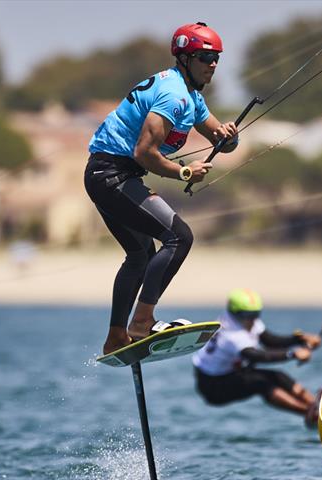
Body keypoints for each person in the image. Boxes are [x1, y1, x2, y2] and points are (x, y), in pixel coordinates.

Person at [84, 22, 239, 355]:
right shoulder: (173, 94)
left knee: (140, 255)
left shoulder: (192, 97)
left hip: (110, 176)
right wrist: (183, 171)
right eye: (204, 58)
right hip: (111, 175)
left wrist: (229, 135)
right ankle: (141, 322)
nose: (212, 65)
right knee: (179, 236)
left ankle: (116, 336)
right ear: (183, 58)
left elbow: (220, 141)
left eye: (216, 59)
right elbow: (144, 153)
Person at [192, 288, 322, 426]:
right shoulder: (231, 334)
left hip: (230, 373)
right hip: (212, 386)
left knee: (278, 376)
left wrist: (301, 339)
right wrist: (292, 354)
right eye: (247, 315)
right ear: (235, 313)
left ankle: (315, 405)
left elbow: (269, 341)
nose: (252, 320)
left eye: (256, 314)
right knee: (261, 383)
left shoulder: (244, 319)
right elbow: (258, 356)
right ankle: (310, 413)